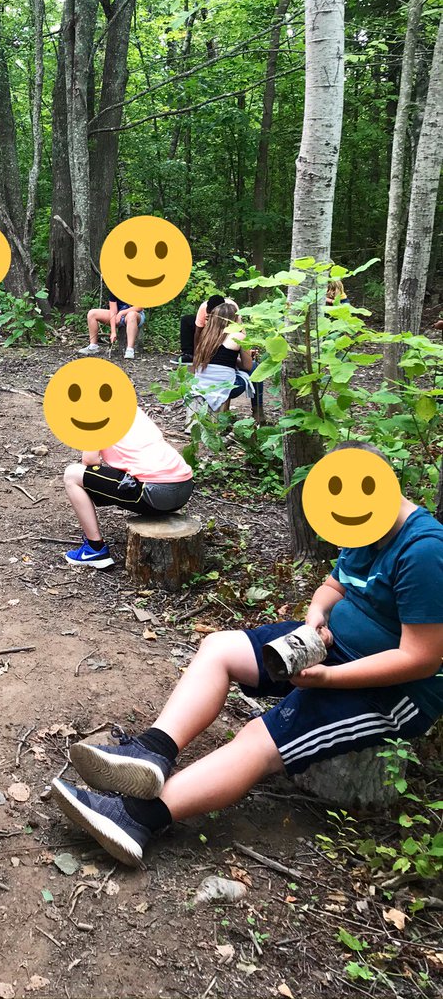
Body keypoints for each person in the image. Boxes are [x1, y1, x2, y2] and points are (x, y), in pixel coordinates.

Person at [49, 442, 443, 867]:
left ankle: (136, 819)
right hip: (330, 645)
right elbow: (335, 585)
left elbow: (420, 659)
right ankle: (152, 752)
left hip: (393, 691)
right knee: (220, 648)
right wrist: (316, 617)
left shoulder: (423, 551)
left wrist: (329, 679)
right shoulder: (364, 519)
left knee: (259, 737)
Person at [63, 407, 194, 568]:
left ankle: (94, 549)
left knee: (72, 474)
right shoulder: (131, 408)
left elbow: (90, 461)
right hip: (185, 488)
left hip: (155, 494)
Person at [187, 301, 264, 422]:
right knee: (255, 367)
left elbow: (219, 360)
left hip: (202, 386)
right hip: (226, 386)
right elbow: (247, 366)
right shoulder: (239, 337)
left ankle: (225, 413)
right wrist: (245, 357)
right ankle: (258, 411)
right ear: (234, 318)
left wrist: (233, 359)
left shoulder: (206, 335)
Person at [78, 291, 145, 360]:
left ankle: (130, 349)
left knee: (131, 315)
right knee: (92, 313)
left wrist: (121, 313)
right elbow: (113, 312)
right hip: (118, 316)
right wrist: (113, 332)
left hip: (135, 315)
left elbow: (139, 307)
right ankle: (93, 346)